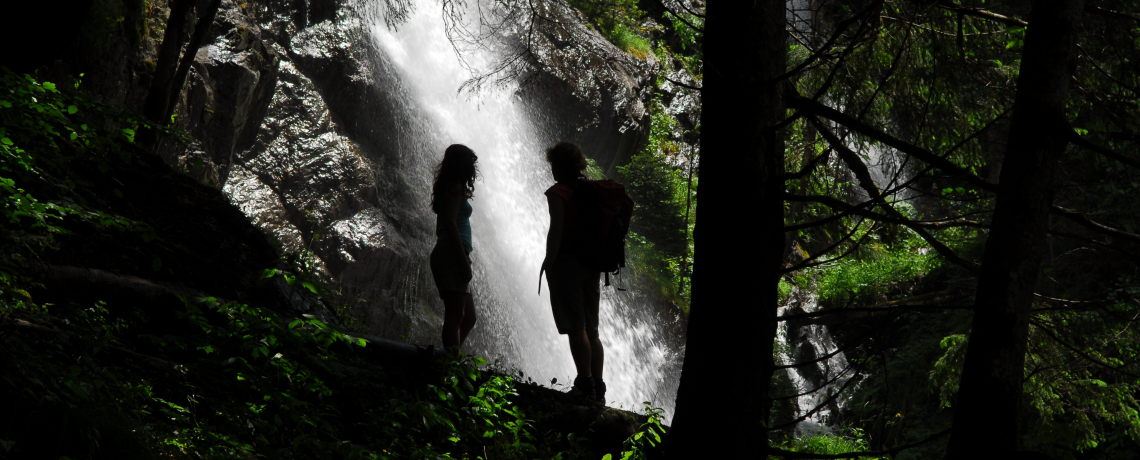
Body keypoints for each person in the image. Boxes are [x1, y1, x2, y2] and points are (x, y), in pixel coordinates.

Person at [541, 141, 606, 403]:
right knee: (592, 330)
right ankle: (599, 388)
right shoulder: (591, 190)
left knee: (575, 327)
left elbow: (556, 230)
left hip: (568, 265)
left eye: (553, 165)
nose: (552, 170)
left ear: (559, 166)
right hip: (592, 265)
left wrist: (549, 261)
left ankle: (584, 386)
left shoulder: (559, 192)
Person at [430, 144, 479, 357]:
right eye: (470, 163)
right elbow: (449, 224)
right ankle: (450, 365)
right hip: (451, 254)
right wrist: (462, 260)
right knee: (455, 315)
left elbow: (442, 225)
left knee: (468, 317)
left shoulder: (449, 187)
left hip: (450, 252)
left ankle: (452, 356)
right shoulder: (455, 187)